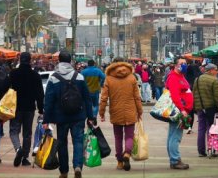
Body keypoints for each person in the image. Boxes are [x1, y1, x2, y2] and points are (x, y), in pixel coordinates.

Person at [43, 50, 93, 178]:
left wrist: (46, 120)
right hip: (78, 116)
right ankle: (77, 166)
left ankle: (64, 171)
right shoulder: (79, 76)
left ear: (58, 61)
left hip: (61, 117)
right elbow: (87, 98)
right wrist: (91, 117)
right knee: (78, 141)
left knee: (62, 143)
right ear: (70, 61)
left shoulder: (54, 77)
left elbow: (48, 100)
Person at [99, 58, 142, 171]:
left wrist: (101, 112)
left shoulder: (108, 78)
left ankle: (119, 162)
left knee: (118, 137)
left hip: (115, 111)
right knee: (129, 136)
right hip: (130, 111)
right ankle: (127, 154)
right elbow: (137, 97)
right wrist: (140, 111)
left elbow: (104, 98)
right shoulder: (132, 77)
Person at [9, 52, 44, 167]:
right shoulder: (35, 75)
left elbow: (6, 88)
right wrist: (41, 108)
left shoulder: (13, 74)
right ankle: (25, 158)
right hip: (29, 108)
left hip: (15, 107)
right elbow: (40, 93)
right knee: (27, 133)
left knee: (14, 131)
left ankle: (18, 149)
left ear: (20, 60)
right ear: (30, 61)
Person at [166, 58, 193, 170]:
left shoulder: (180, 76)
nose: (184, 65)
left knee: (173, 134)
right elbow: (175, 96)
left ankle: (174, 159)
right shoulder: (173, 77)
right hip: (178, 111)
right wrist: (182, 109)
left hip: (181, 109)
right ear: (176, 65)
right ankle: (175, 159)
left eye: (185, 63)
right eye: (182, 64)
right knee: (175, 136)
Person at [192, 63, 218, 157]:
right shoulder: (215, 80)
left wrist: (196, 106)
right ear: (210, 70)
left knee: (201, 129)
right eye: (216, 70)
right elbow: (217, 97)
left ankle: (201, 151)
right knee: (212, 129)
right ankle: (212, 149)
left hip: (200, 108)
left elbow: (194, 94)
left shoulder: (197, 79)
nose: (217, 72)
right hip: (211, 108)